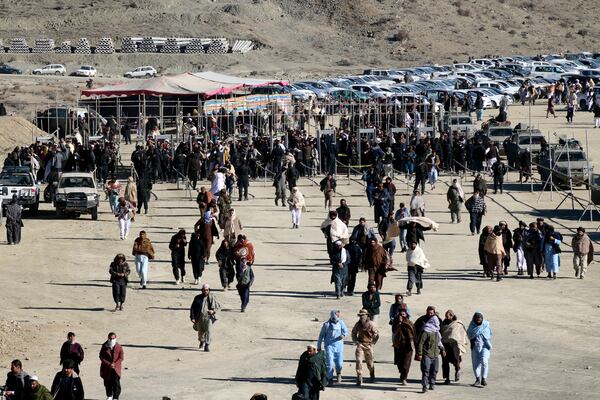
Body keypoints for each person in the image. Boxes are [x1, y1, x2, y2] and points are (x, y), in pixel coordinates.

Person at [415, 307, 446, 393]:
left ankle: (432, 384)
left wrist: (443, 349)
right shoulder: (426, 331)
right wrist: (420, 354)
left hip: (435, 354)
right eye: (435, 322)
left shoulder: (437, 332)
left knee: (434, 370)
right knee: (426, 371)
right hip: (426, 354)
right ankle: (425, 386)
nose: (437, 323)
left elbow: (439, 342)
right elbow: (420, 343)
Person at [317, 310, 348, 385]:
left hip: (339, 346)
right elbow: (321, 336)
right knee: (330, 363)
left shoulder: (341, 323)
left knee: (339, 363)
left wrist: (343, 335)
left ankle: (338, 373)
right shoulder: (326, 325)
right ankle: (330, 378)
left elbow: (346, 331)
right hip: (329, 346)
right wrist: (319, 346)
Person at [351, 309, 379, 386]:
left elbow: (376, 335)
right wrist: (355, 341)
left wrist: (372, 343)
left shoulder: (371, 324)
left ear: (367, 315)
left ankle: (372, 374)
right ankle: (359, 377)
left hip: (369, 345)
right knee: (359, 361)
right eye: (360, 315)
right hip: (360, 345)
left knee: (369, 363)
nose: (361, 317)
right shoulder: (358, 324)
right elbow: (353, 333)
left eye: (363, 315)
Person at [190, 283, 221, 352]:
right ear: (202, 290)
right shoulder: (197, 298)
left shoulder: (212, 297)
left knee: (209, 331)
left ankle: (207, 345)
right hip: (199, 318)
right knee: (200, 332)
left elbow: (218, 307)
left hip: (208, 318)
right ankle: (202, 341)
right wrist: (192, 317)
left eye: (207, 290)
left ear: (209, 290)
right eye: (204, 290)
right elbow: (192, 308)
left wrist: (213, 311)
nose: (205, 291)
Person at [440, 310, 468, 385]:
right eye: (446, 315)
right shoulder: (443, 324)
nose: (447, 316)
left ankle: (458, 370)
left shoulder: (457, 324)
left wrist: (461, 343)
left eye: (449, 315)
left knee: (456, 360)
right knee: (445, 362)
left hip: (454, 345)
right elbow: (441, 333)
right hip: (445, 345)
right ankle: (447, 378)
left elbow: (462, 333)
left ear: (452, 315)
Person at [467, 312, 492, 387]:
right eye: (476, 319)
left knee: (484, 361)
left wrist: (483, 336)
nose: (478, 320)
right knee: (476, 364)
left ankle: (483, 379)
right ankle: (477, 379)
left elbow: (489, 334)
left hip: (485, 346)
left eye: (479, 319)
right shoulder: (472, 326)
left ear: (482, 319)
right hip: (475, 346)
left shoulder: (486, 325)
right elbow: (469, 334)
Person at [392, 309, 415, 385]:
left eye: (403, 314)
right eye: (400, 314)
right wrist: (399, 323)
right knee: (399, 363)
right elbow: (394, 331)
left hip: (408, 346)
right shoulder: (395, 323)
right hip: (398, 345)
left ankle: (404, 378)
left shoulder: (410, 323)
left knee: (406, 364)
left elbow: (414, 334)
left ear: (406, 315)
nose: (402, 316)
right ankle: (402, 375)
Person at [99, 332, 124, 400]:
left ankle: (116, 397)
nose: (112, 340)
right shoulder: (104, 346)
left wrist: (114, 364)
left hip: (116, 368)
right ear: (108, 338)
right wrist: (109, 364)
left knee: (116, 383)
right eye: (110, 338)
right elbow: (101, 357)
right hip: (107, 368)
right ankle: (109, 395)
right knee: (107, 382)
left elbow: (121, 358)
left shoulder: (119, 347)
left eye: (113, 338)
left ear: (115, 338)